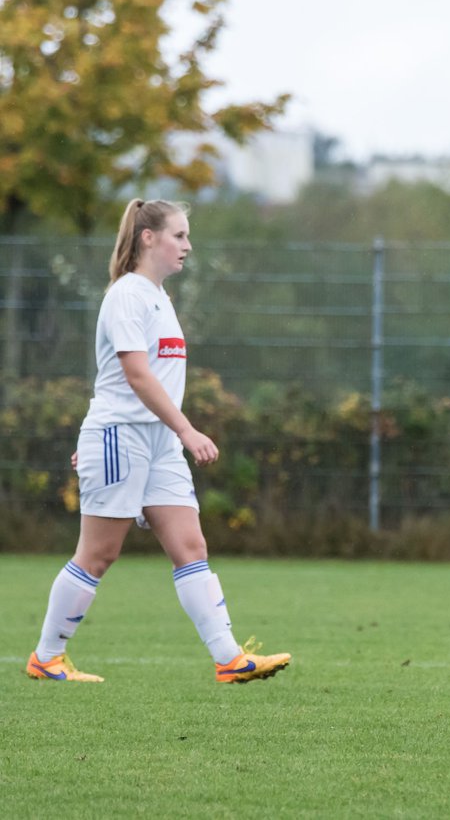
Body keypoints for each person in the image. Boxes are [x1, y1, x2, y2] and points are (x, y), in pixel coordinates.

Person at [26, 199, 290, 685]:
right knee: (99, 554)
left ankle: (230, 659)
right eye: (180, 235)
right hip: (123, 436)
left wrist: (171, 435)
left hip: (157, 442)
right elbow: (136, 376)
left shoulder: (159, 297)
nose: (188, 246)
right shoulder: (127, 294)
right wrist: (185, 429)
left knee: (191, 546)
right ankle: (46, 656)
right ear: (149, 238)